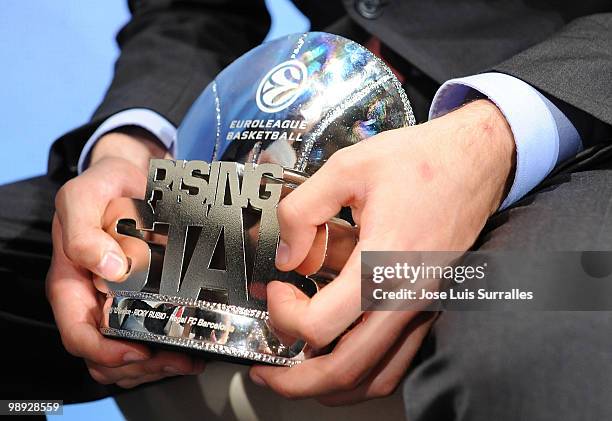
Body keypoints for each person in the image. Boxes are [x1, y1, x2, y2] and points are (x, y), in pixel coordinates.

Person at [1, 0, 611, 419]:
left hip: (575, 128)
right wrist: (128, 147)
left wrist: (493, 135)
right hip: (286, 129)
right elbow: (194, 11)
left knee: (548, 344)